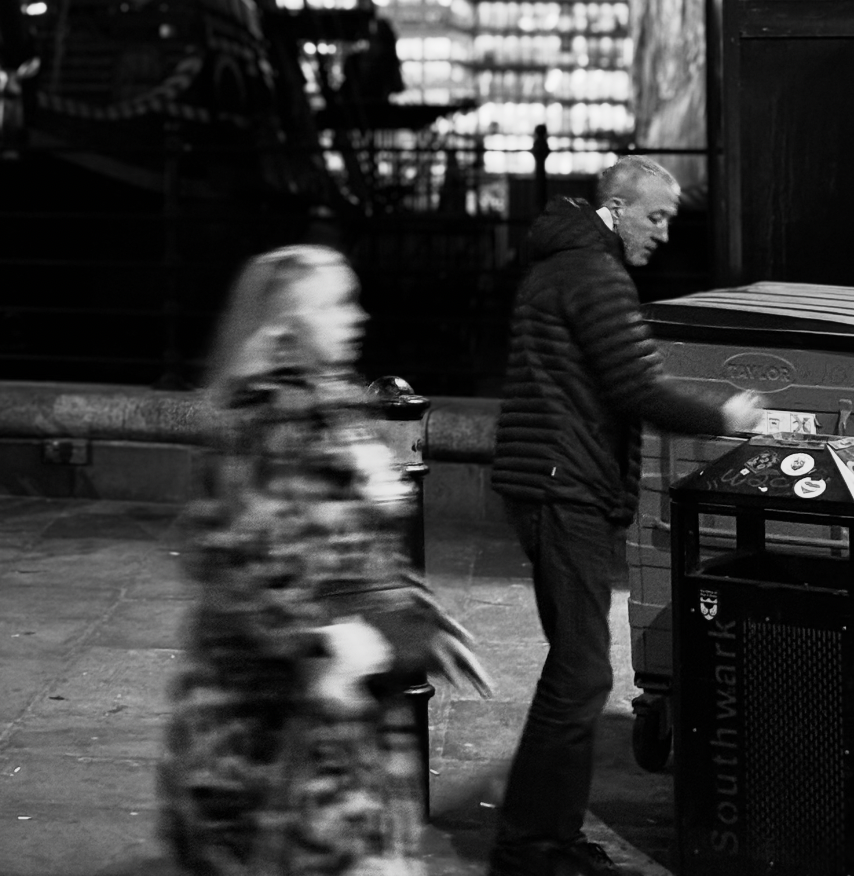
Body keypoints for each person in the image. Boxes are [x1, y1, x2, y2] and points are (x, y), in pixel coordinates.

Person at [159, 243, 491, 876]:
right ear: (286, 321)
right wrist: (329, 642)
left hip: (329, 728)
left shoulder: (333, 407)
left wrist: (417, 619)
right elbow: (241, 564)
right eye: (338, 303)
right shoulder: (261, 420)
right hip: (261, 734)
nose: (357, 317)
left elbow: (360, 546)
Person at [487, 157, 763, 876]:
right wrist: (724, 414)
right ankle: (530, 848)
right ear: (617, 206)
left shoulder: (564, 264)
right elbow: (635, 381)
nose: (665, 234)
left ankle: (544, 835)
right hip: (561, 486)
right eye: (656, 217)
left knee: (574, 670)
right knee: (579, 675)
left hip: (550, 482)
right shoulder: (593, 273)